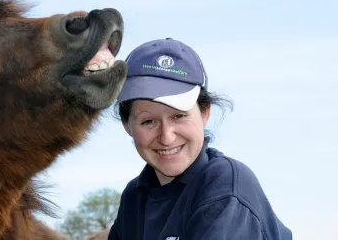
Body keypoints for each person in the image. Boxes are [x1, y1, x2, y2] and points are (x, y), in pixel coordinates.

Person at [108, 38, 292, 239]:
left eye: (179, 116)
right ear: (127, 126)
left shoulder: (224, 185)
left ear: (205, 113)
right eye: (148, 121)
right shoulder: (135, 196)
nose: (167, 137)